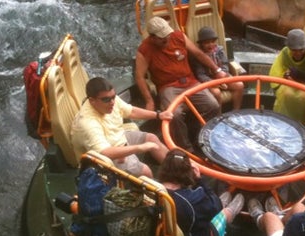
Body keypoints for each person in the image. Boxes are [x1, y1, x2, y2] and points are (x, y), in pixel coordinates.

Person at [135, 17, 222, 153]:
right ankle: (185, 148)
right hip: (168, 87)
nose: (167, 39)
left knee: (213, 105)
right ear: (153, 37)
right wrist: (149, 100)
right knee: (174, 115)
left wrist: (217, 70)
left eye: (168, 35)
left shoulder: (178, 36)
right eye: (162, 38)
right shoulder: (144, 50)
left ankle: (207, 136)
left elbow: (198, 54)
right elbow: (140, 77)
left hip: (190, 82)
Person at [71, 77, 173, 177]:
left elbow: (131, 111)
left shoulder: (111, 101)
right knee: (146, 172)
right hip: (106, 157)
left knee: (152, 138)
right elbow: (105, 152)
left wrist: (158, 115)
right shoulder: (88, 123)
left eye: (113, 97)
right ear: (92, 101)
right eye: (106, 99)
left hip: (117, 137)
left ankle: (176, 170)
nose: (112, 102)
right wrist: (139, 148)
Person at [157, 149, 244, 236]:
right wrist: (199, 179)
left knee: (211, 204)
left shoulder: (154, 190)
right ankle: (230, 211)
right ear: (188, 171)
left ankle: (224, 201)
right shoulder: (192, 200)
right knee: (222, 212)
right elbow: (216, 207)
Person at [269, 29, 305, 125]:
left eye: (301, 50)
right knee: (285, 94)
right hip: (290, 83)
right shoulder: (285, 52)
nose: (298, 53)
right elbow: (277, 71)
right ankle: (279, 122)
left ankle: (300, 126)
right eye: (294, 50)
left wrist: (299, 78)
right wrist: (287, 78)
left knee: (303, 97)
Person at [190, 26, 245, 110]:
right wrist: (212, 82)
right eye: (207, 43)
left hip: (221, 77)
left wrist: (222, 75)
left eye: (212, 42)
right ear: (201, 44)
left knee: (240, 85)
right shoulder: (198, 56)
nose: (210, 45)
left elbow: (225, 64)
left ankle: (236, 111)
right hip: (209, 81)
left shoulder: (219, 51)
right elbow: (200, 75)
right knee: (217, 93)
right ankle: (218, 115)